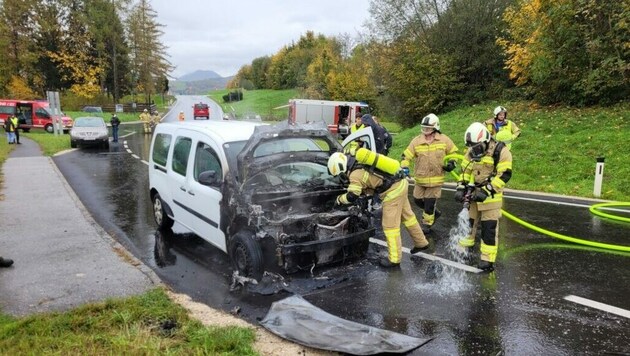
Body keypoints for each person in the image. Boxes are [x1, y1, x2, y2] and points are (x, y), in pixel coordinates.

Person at [327, 151, 430, 268]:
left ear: (341, 168)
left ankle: (394, 259)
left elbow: (352, 196)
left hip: (392, 191)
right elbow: (370, 182)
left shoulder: (354, 174)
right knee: (408, 217)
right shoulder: (358, 162)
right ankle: (421, 242)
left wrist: (339, 200)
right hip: (401, 183)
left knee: (390, 226)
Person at [454, 122, 512, 272]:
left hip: (491, 198)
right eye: (472, 147)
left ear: (486, 141)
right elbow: (465, 171)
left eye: (477, 146)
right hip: (474, 195)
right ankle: (464, 251)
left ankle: (487, 260)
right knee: (468, 224)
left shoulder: (501, 151)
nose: (474, 150)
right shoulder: (471, 150)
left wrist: (487, 190)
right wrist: (461, 187)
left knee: (489, 230)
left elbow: (504, 175)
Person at [400, 114, 458, 230]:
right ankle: (434, 213)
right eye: (424, 127)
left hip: (436, 179)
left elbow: (453, 153)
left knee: (429, 203)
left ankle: (427, 224)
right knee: (417, 200)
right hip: (421, 179)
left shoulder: (444, 139)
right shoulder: (416, 141)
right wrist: (405, 167)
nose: (425, 130)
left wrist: (452, 163)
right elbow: (406, 156)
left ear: (435, 127)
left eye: (428, 128)